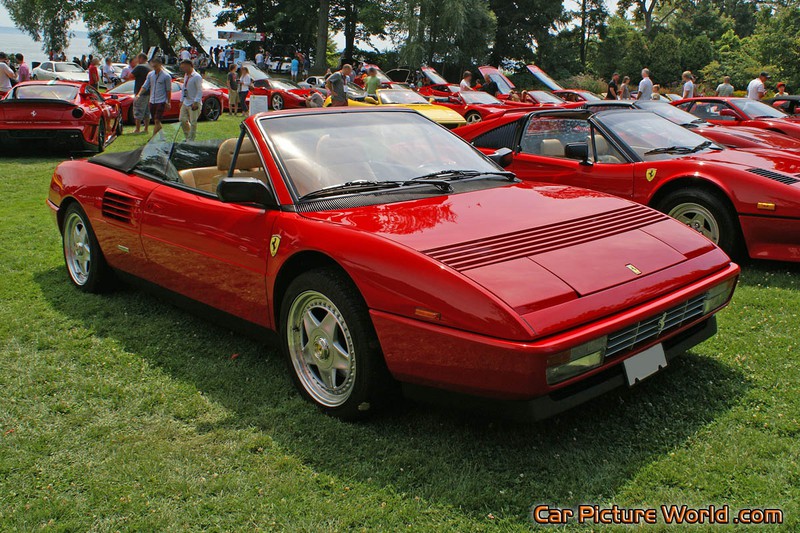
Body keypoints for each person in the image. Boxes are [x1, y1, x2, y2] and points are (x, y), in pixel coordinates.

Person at [136, 56, 172, 137]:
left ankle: (153, 138)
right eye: (153, 66)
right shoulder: (150, 74)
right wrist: (139, 94)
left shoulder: (166, 76)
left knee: (157, 120)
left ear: (160, 64)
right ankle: (162, 136)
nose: (154, 68)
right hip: (152, 100)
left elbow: (168, 90)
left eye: (156, 66)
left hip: (161, 100)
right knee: (156, 121)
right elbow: (145, 86)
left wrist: (168, 102)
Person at [178, 60, 203, 141]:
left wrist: (196, 102)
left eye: (184, 67)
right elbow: (184, 89)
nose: (183, 69)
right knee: (182, 119)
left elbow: (199, 90)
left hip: (194, 103)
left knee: (193, 122)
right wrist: (181, 100)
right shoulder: (186, 75)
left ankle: (191, 139)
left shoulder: (197, 76)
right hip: (186, 102)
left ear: (189, 65)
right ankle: (188, 136)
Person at [130, 53, 151, 134]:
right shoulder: (149, 66)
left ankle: (137, 129)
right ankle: (146, 129)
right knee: (146, 111)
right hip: (149, 92)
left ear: (141, 58)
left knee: (138, 109)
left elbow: (130, 76)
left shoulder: (139, 67)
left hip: (140, 91)